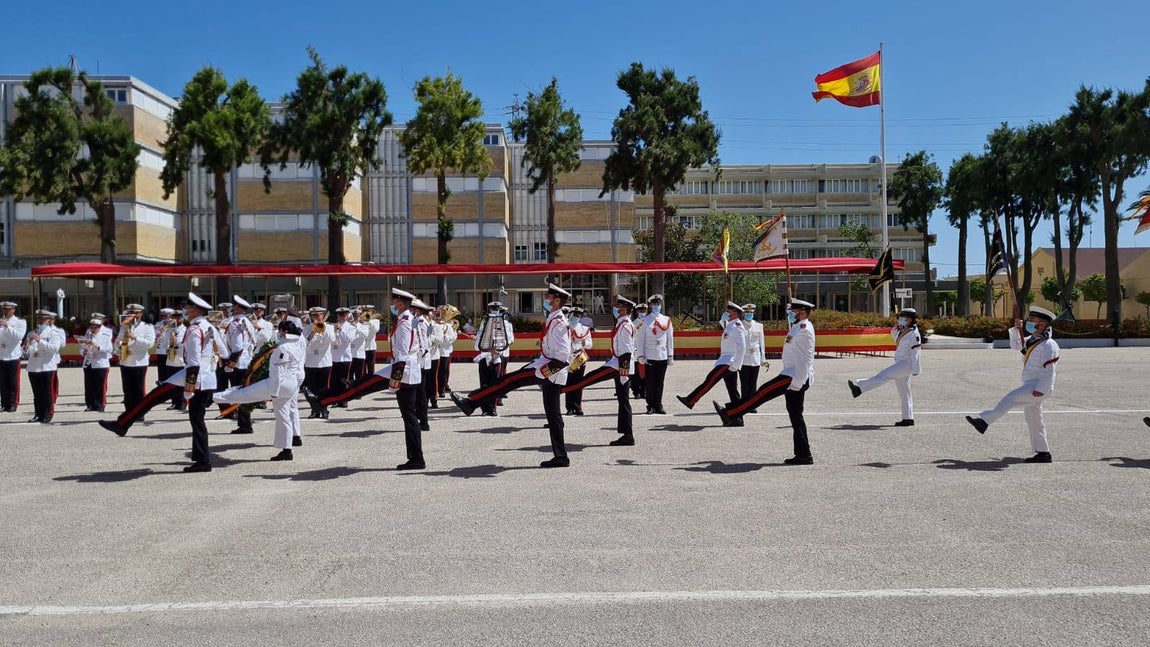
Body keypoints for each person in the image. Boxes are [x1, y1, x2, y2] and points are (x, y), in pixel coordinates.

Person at [452, 283, 572, 468]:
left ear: (557, 301)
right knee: (553, 414)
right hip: (547, 367)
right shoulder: (554, 319)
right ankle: (561, 456)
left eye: (548, 298)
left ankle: (471, 403)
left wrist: (543, 373)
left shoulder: (558, 323)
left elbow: (563, 356)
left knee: (509, 380)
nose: (546, 300)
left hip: (550, 370)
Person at [102, 293, 219, 473]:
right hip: (207, 377)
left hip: (193, 377)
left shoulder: (195, 329)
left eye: (188, 308)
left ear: (196, 310)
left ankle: (122, 424)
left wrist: (189, 388)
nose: (185, 311)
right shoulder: (209, 326)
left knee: (152, 398)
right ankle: (203, 461)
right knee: (197, 420)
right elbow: (223, 351)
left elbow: (194, 363)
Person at [714, 300, 817, 465]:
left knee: (762, 393)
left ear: (803, 312)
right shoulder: (798, 327)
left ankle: (730, 412)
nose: (790, 313)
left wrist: (798, 382)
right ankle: (804, 454)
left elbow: (806, 359)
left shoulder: (805, 330)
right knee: (796, 416)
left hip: (794, 377)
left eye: (793, 311)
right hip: (792, 375)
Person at [965, 306, 1060, 463]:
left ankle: (984, 421)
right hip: (1031, 384)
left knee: (1010, 398)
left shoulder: (1049, 345)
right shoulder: (1033, 340)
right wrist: (1017, 329)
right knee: (1034, 419)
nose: (1029, 323)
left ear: (1042, 324)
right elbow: (1017, 345)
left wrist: (1041, 389)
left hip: (1038, 386)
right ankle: (1043, 452)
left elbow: (1049, 370)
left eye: (1032, 321)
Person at [214, 319, 306, 461]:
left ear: (285, 332)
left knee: (243, 394)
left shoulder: (282, 348)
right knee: (284, 417)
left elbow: (277, 373)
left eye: (280, 331)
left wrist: (274, 392)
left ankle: (212, 396)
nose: (279, 334)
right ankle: (287, 450)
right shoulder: (297, 345)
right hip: (292, 384)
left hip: (278, 384)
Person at [848, 307, 922, 426]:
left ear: (910, 319)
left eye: (904, 318)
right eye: (900, 318)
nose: (901, 320)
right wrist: (896, 328)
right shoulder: (904, 330)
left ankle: (860, 388)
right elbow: (895, 338)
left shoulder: (914, 333)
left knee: (883, 376)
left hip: (906, 364)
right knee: (904, 392)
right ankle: (908, 418)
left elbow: (916, 352)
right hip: (900, 363)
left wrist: (916, 369)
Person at [676, 302, 747, 410]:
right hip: (726, 360)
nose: (726, 313)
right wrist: (724, 319)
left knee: (710, 380)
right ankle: (737, 416)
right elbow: (724, 325)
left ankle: (691, 400)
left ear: (736, 313)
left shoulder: (737, 326)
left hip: (729, 362)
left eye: (728, 311)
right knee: (732, 390)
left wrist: (736, 365)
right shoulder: (730, 325)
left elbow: (742, 347)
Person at [224, 296, 258, 434]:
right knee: (244, 393)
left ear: (237, 308)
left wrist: (231, 364)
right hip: (246, 361)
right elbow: (254, 343)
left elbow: (237, 347)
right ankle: (244, 423)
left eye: (234, 306)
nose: (232, 308)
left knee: (239, 393)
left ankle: (245, 424)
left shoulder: (235, 323)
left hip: (238, 363)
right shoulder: (247, 321)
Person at [25, 310, 66, 424]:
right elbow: (28, 352)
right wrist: (25, 346)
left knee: (47, 393)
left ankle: (47, 414)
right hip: (33, 366)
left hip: (47, 366)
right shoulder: (31, 333)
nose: (40, 320)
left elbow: (55, 348)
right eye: (38, 318)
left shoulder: (53, 333)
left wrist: (40, 341)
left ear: (49, 320)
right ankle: (38, 414)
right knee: (37, 393)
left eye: (43, 318)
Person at [473, 301, 513, 416]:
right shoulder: (484, 324)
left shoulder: (505, 324)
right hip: (484, 357)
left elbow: (508, 340)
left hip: (497, 358)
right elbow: (477, 344)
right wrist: (487, 348)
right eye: (492, 308)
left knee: (495, 384)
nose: (495, 310)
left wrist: (498, 349)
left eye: (497, 308)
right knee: (484, 384)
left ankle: (493, 407)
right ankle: (485, 408)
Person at [114, 304, 155, 416]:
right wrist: (119, 351)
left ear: (140, 314)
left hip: (139, 362)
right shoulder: (124, 326)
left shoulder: (147, 326)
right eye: (130, 313)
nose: (133, 315)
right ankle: (129, 412)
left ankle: (139, 413)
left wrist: (135, 338)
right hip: (125, 361)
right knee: (127, 390)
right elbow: (117, 342)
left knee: (138, 389)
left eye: (136, 313)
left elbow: (150, 343)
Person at [637, 294, 674, 415]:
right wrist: (640, 355)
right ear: (650, 305)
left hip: (662, 355)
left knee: (660, 382)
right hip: (650, 355)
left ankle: (659, 405)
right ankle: (650, 405)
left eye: (658, 304)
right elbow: (640, 339)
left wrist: (670, 355)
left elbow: (670, 339)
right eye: (654, 304)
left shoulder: (666, 320)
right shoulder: (645, 321)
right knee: (650, 382)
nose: (656, 306)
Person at [303, 306, 335, 419]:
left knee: (324, 387)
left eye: (318, 315)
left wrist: (323, 329)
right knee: (312, 388)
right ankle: (314, 410)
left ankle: (325, 410)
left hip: (324, 361)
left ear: (323, 315)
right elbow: (303, 344)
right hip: (311, 361)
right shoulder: (306, 328)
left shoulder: (330, 327)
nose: (316, 317)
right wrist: (311, 334)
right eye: (314, 315)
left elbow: (332, 339)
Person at [156, 309, 188, 411]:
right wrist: (160, 335)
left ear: (183, 318)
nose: (177, 319)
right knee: (172, 382)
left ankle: (182, 402)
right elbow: (163, 344)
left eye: (179, 317)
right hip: (170, 359)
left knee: (182, 382)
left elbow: (184, 344)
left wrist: (175, 343)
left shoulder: (186, 329)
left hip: (180, 359)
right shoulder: (169, 329)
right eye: (174, 317)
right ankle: (174, 402)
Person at [80, 317, 113, 412]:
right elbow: (81, 348)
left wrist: (98, 347)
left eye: (95, 327)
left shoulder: (105, 335)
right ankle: (90, 404)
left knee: (100, 386)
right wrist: (83, 352)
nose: (93, 329)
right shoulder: (87, 336)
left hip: (100, 363)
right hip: (88, 363)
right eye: (91, 326)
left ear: (99, 327)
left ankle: (100, 404)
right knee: (89, 385)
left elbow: (109, 349)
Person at [739, 303, 768, 413]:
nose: (749, 314)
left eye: (751, 313)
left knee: (753, 382)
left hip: (755, 358)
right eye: (747, 312)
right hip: (744, 358)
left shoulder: (758, 326)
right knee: (744, 382)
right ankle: (744, 404)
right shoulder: (740, 325)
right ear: (743, 313)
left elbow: (762, 343)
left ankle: (752, 404)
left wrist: (763, 358)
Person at [0, 301, 28, 412]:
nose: (5, 311)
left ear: (13, 310)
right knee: (2, 382)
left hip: (13, 356)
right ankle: (4, 403)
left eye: (7, 309)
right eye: (3, 309)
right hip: (1, 355)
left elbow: (19, 336)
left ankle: (13, 403)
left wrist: (8, 326)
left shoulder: (20, 322)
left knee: (13, 382)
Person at [565, 307, 593, 416]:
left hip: (580, 358)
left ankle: (578, 406)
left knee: (579, 383)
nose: (576, 317)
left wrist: (584, 343)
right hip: (569, 357)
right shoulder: (566, 328)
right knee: (569, 383)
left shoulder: (585, 328)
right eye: (574, 314)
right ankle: (569, 407)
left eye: (578, 315)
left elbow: (590, 345)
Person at [327, 307, 355, 407]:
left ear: (347, 316)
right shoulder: (332, 327)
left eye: (344, 315)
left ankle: (343, 400)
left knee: (344, 380)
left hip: (345, 357)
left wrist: (341, 330)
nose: (341, 317)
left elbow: (349, 339)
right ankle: (334, 399)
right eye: (340, 315)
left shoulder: (351, 327)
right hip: (334, 356)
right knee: (334, 380)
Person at [436, 305, 459, 398]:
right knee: (436, 371)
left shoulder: (450, 326)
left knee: (444, 371)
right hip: (436, 351)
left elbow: (453, 337)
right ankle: (437, 388)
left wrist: (445, 338)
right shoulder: (436, 324)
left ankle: (442, 388)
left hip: (445, 350)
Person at [629, 302, 648, 400]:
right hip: (636, 352)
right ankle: (636, 391)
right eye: (640, 310)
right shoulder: (633, 323)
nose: (642, 312)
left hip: (646, 352)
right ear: (637, 311)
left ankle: (644, 391)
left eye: (644, 310)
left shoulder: (649, 322)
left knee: (645, 374)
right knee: (635, 374)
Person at [362, 305, 381, 375]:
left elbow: (376, 329)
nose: (366, 313)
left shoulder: (375, 321)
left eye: (368, 311)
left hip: (371, 347)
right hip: (361, 348)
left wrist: (369, 320)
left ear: (372, 311)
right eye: (365, 311)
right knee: (362, 370)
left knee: (371, 369)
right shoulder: (361, 321)